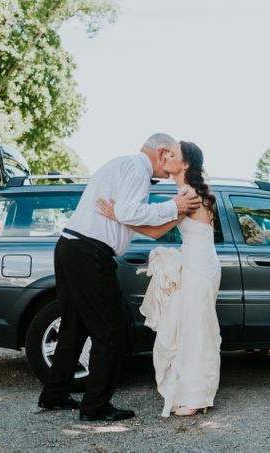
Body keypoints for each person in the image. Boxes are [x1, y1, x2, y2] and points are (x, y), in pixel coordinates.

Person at [37, 133, 201, 422]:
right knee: (111, 332)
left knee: (73, 326)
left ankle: (55, 395)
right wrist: (173, 206)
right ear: (162, 153)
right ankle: (95, 407)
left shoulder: (120, 164)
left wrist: (122, 215)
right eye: (171, 155)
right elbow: (129, 211)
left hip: (69, 247)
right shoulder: (138, 169)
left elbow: (125, 214)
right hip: (89, 252)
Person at [97, 140, 221, 417]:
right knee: (187, 328)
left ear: (185, 164)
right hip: (197, 263)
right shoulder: (188, 191)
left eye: (172, 154)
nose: (166, 157)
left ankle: (197, 396)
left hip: (198, 269)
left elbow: (155, 231)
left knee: (195, 331)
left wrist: (117, 215)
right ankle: (191, 391)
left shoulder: (189, 195)